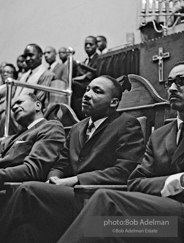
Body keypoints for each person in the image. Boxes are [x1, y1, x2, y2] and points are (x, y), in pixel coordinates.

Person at [0, 75, 145, 243]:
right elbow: (61, 163)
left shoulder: (127, 124)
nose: (87, 94)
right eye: (88, 89)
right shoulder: (77, 128)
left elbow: (124, 171)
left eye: (97, 91)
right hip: (69, 193)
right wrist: (53, 179)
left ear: (113, 102)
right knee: (25, 229)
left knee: (27, 190)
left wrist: (74, 180)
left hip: (96, 195)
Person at [57, 61, 184, 243]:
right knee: (99, 226)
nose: (172, 88)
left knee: (105, 204)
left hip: (175, 223)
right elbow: (136, 182)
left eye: (181, 81)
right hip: (162, 222)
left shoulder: (127, 125)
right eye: (169, 82)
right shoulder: (160, 135)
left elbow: (130, 176)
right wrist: (177, 181)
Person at [0, 93, 66, 186]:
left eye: (19, 102)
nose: (14, 107)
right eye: (12, 107)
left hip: (15, 187)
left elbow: (34, 169)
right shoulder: (13, 137)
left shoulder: (50, 127)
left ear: (38, 105)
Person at [0, 44, 57, 137]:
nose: (27, 59)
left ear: (40, 56)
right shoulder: (24, 75)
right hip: (16, 108)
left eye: (31, 55)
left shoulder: (46, 74)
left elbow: (39, 99)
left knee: (8, 115)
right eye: (26, 56)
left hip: (30, 113)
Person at [72, 36, 99, 119]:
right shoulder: (85, 61)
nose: (87, 46)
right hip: (83, 88)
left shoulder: (99, 58)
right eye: (86, 44)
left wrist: (72, 80)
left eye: (90, 44)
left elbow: (87, 76)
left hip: (91, 87)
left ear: (96, 46)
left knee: (72, 84)